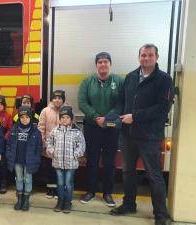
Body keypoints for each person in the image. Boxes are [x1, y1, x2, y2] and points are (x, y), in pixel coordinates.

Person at [111, 44, 173, 225]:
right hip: (127, 135)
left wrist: (135, 117)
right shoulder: (130, 77)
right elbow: (121, 100)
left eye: (150, 55)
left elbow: (163, 107)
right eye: (143, 55)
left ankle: (160, 214)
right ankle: (129, 204)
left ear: (157, 57)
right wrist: (119, 116)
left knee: (154, 176)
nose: (146, 58)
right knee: (128, 172)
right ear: (138, 57)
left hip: (149, 136)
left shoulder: (164, 79)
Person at [78, 52, 124, 206]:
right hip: (92, 127)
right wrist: (97, 117)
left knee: (110, 162)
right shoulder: (87, 82)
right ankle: (91, 191)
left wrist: (107, 119)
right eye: (100, 62)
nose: (103, 64)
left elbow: (121, 103)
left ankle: (107, 193)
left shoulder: (119, 81)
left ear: (110, 64)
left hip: (112, 128)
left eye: (106, 61)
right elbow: (82, 103)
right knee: (92, 161)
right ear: (96, 65)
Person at [46, 106, 86, 213]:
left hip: (71, 163)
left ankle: (68, 202)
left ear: (71, 119)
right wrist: (51, 151)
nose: (64, 119)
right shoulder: (55, 131)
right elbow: (48, 142)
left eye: (67, 117)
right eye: (62, 117)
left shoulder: (76, 131)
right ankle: (60, 202)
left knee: (68, 183)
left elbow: (82, 145)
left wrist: (75, 154)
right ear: (59, 119)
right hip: (57, 162)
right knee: (59, 182)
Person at [6, 106, 42, 211]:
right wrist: (9, 155)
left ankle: (26, 200)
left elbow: (39, 148)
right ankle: (20, 199)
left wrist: (37, 159)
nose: (24, 119)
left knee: (28, 179)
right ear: (19, 118)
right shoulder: (14, 129)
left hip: (29, 161)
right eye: (22, 117)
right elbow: (9, 144)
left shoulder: (36, 131)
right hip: (17, 160)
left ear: (31, 118)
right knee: (19, 179)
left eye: (27, 117)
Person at [38, 90, 66, 199]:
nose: (57, 100)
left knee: (61, 168)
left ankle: (60, 189)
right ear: (51, 99)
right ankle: (51, 189)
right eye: (55, 98)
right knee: (50, 168)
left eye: (59, 98)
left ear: (63, 99)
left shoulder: (67, 111)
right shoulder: (45, 111)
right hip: (49, 146)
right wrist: (43, 142)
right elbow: (41, 128)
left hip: (62, 146)